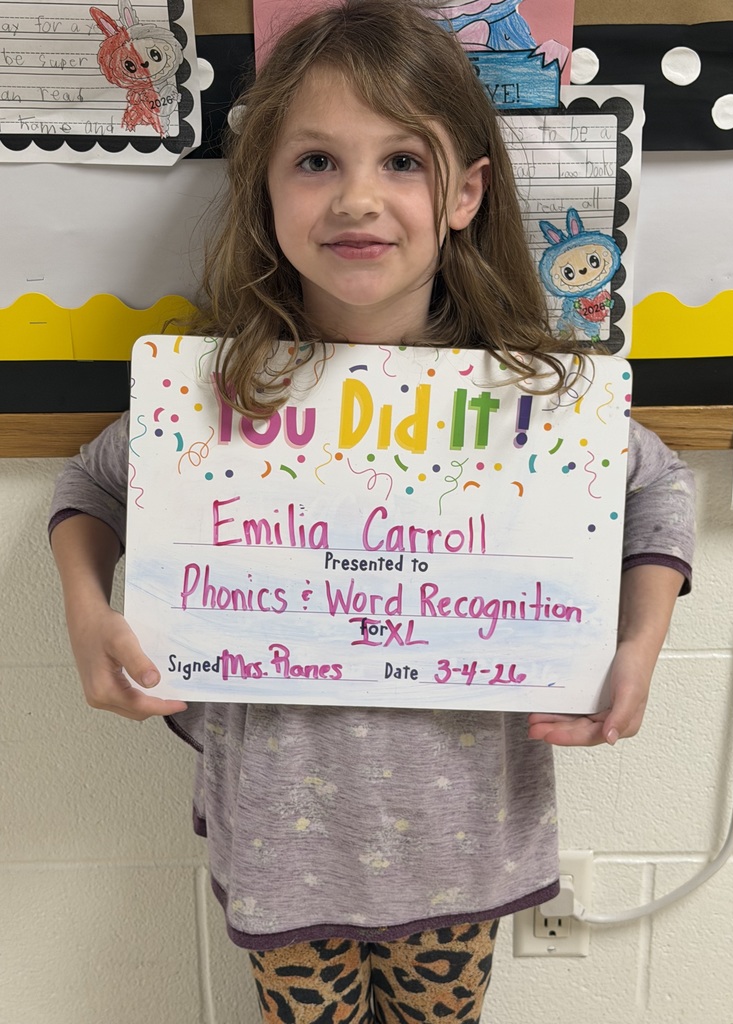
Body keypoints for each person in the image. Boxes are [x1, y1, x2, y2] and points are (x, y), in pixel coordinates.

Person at [49, 2, 695, 1021]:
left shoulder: (534, 398)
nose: (358, 198)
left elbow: (659, 487)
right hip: (282, 850)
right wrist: (88, 612)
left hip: (467, 846)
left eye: (403, 161)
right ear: (264, 190)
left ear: (468, 192)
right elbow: (87, 487)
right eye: (315, 162)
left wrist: (640, 643)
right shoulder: (215, 392)